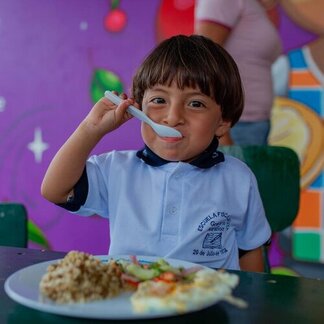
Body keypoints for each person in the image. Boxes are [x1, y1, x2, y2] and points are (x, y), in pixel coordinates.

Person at [41, 35, 271, 272]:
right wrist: (90, 129)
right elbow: (55, 191)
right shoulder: (117, 169)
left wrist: (251, 303)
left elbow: (250, 249)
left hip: (208, 302)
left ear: (222, 123)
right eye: (159, 100)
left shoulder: (238, 178)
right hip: (130, 300)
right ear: (138, 109)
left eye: (195, 104)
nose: (172, 117)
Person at [195, 0, 282, 145]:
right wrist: (219, 129)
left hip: (252, 124)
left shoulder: (252, 5)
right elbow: (204, 61)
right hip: (233, 125)